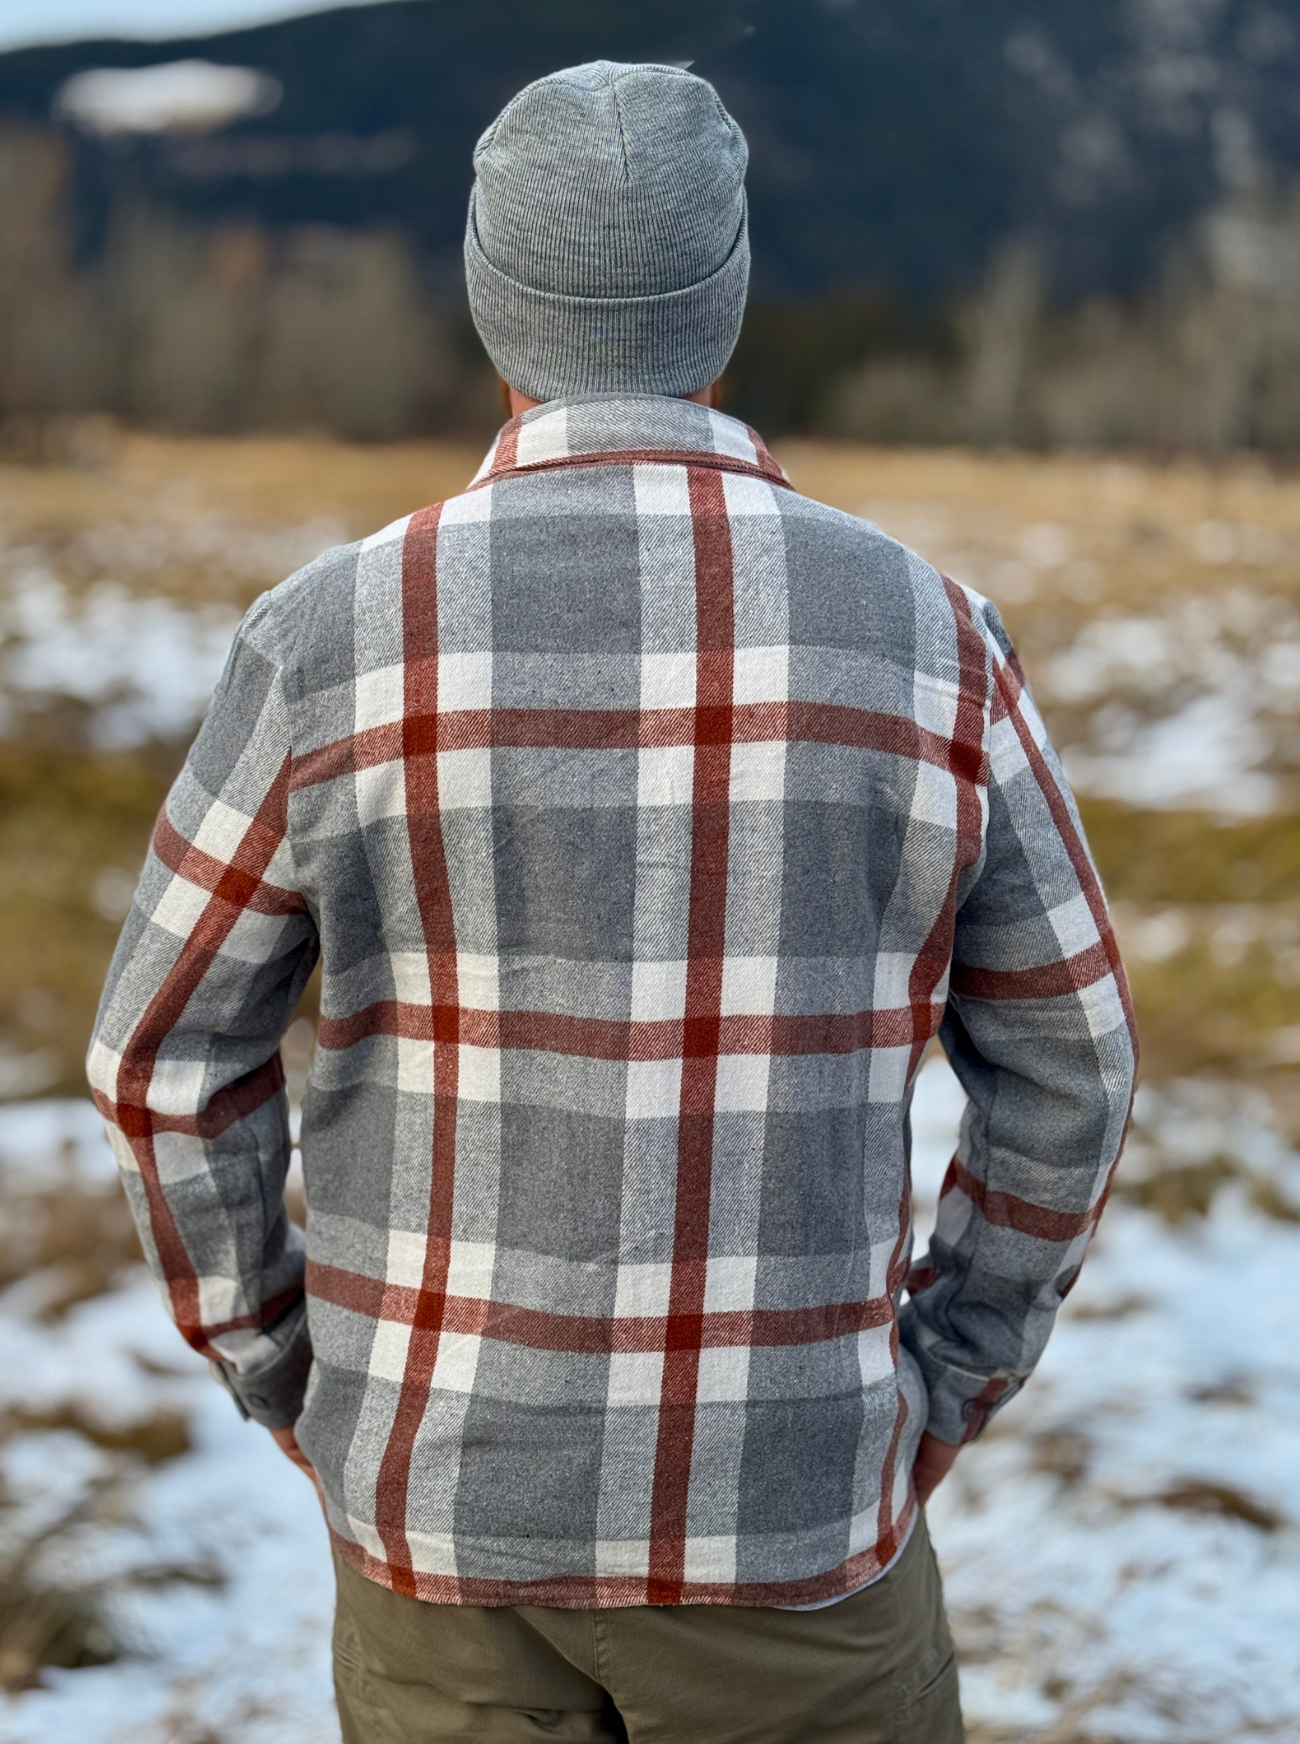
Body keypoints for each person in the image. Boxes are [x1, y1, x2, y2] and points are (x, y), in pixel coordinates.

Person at [89, 60, 1136, 1744]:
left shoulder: (325, 640)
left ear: (488, 297)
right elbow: (1074, 1064)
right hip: (796, 1526)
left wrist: (295, 1373)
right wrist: (948, 1379)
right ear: (728, 297)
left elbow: (161, 1061)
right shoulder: (929, 635)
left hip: (438, 1521)